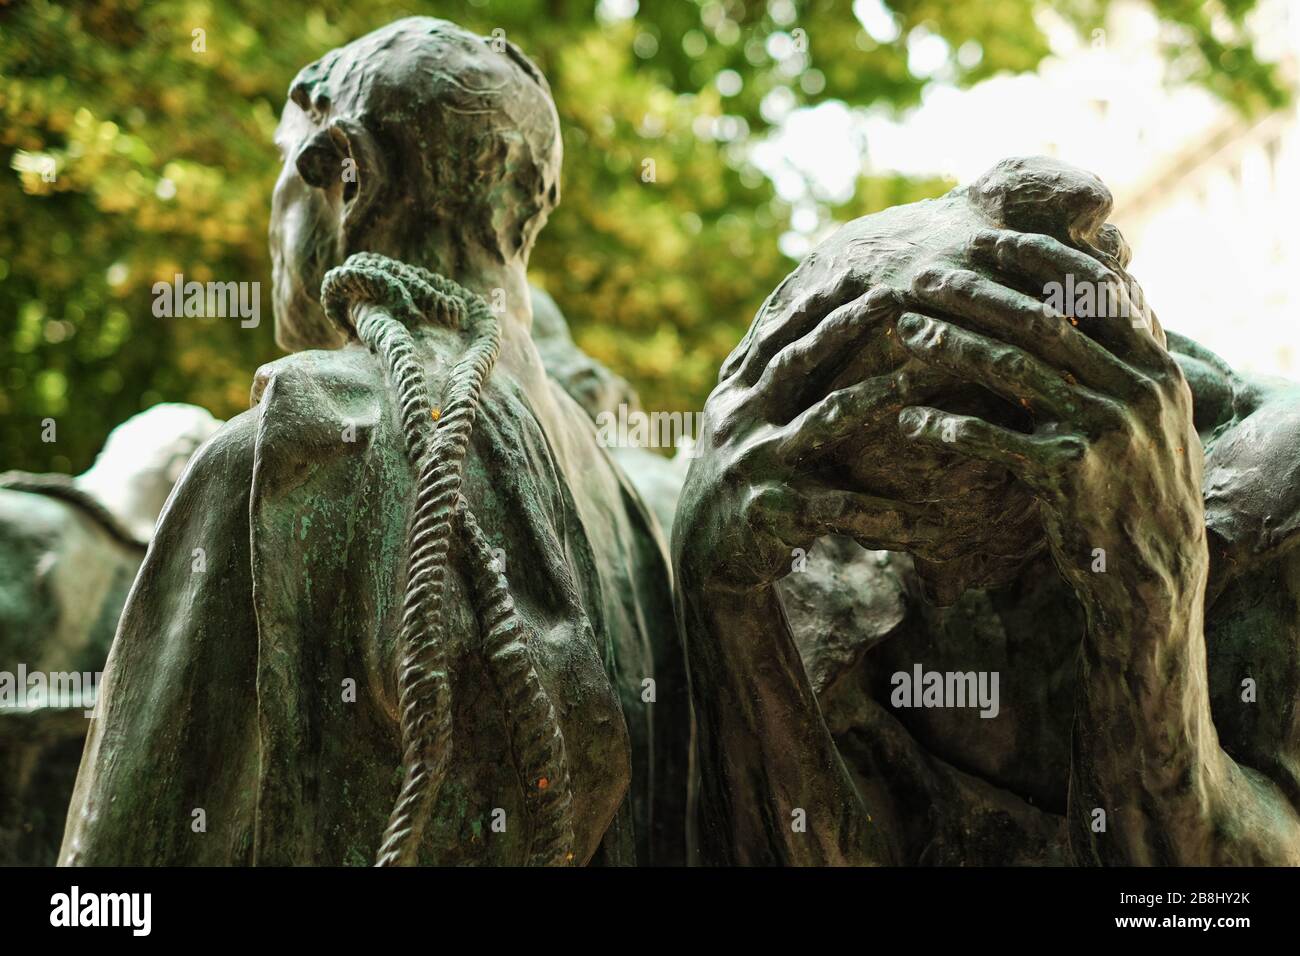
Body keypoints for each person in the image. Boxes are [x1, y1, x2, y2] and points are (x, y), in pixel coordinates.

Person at [60, 17, 688, 867]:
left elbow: (113, 874)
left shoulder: (282, 459)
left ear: (348, 176)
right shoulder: (630, 502)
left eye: (283, 175)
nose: (271, 218)